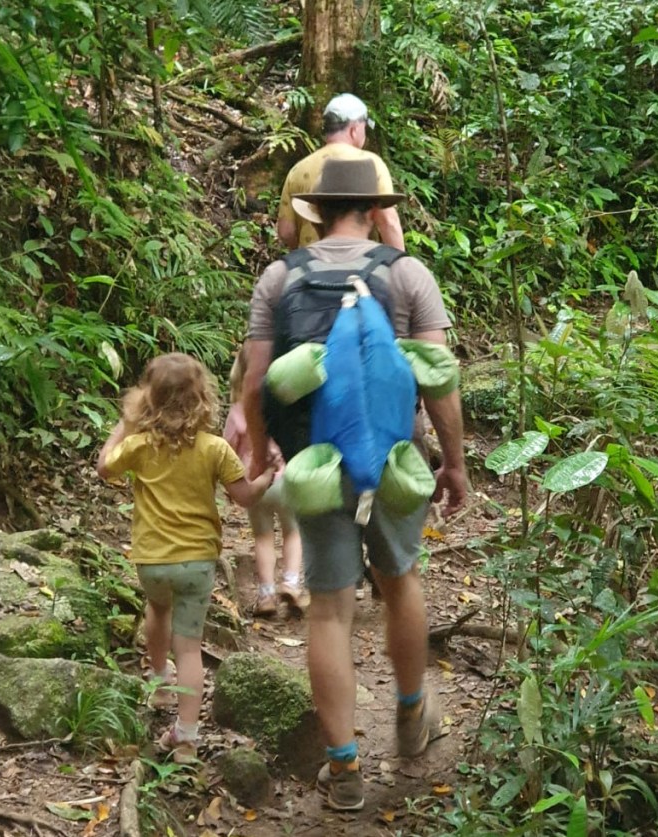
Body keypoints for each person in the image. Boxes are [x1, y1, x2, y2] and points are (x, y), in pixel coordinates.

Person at [242, 158, 467, 811]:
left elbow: (257, 384)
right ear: (373, 210)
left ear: (312, 213)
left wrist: (263, 456)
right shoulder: (407, 273)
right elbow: (440, 379)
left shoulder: (279, 279)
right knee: (401, 583)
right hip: (396, 460)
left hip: (316, 467)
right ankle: (409, 717)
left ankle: (344, 771)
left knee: (332, 609)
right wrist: (454, 463)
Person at [97, 353, 273, 763]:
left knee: (157, 610)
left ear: (148, 402)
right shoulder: (215, 449)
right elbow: (244, 496)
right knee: (190, 647)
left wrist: (124, 425)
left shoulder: (139, 447)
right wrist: (265, 477)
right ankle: (188, 738)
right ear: (203, 400)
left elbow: (104, 467)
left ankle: (160, 684)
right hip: (197, 562)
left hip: (152, 561)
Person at [223, 348, 308, 617]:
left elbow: (226, 450)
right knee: (293, 531)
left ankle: (266, 595)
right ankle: (292, 583)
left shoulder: (238, 412)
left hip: (253, 483)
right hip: (285, 479)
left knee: (262, 537)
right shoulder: (283, 408)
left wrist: (231, 484)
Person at [277, 93, 405, 252]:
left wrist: (301, 253)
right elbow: (388, 222)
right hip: (360, 267)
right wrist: (399, 264)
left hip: (311, 266)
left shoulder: (298, 169)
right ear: (354, 129)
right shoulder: (370, 164)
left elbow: (286, 230)